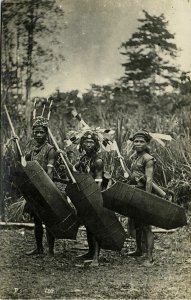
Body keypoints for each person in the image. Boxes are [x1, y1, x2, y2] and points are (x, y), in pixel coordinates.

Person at [62, 131, 104, 267]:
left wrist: (96, 199)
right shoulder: (84, 159)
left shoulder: (97, 161)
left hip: (94, 196)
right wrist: (64, 158)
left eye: (91, 142)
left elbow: (98, 181)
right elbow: (74, 171)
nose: (88, 144)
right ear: (82, 144)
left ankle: (96, 259)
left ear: (96, 144)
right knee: (88, 226)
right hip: (84, 197)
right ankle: (90, 252)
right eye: (86, 142)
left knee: (95, 226)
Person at [22, 116, 56, 256]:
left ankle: (51, 251)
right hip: (34, 189)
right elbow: (24, 165)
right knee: (37, 220)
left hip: (46, 188)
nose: (38, 135)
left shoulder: (50, 149)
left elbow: (50, 171)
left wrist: (46, 188)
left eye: (41, 132)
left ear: (46, 133)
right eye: (36, 132)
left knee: (48, 221)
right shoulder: (32, 149)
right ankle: (39, 248)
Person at [127, 130, 155, 265]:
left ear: (146, 144)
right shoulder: (135, 157)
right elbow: (134, 175)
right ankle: (139, 249)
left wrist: (147, 198)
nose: (138, 143)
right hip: (134, 193)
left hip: (142, 194)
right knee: (136, 223)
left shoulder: (148, 159)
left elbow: (149, 180)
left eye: (141, 141)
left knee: (146, 226)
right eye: (136, 141)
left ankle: (149, 256)